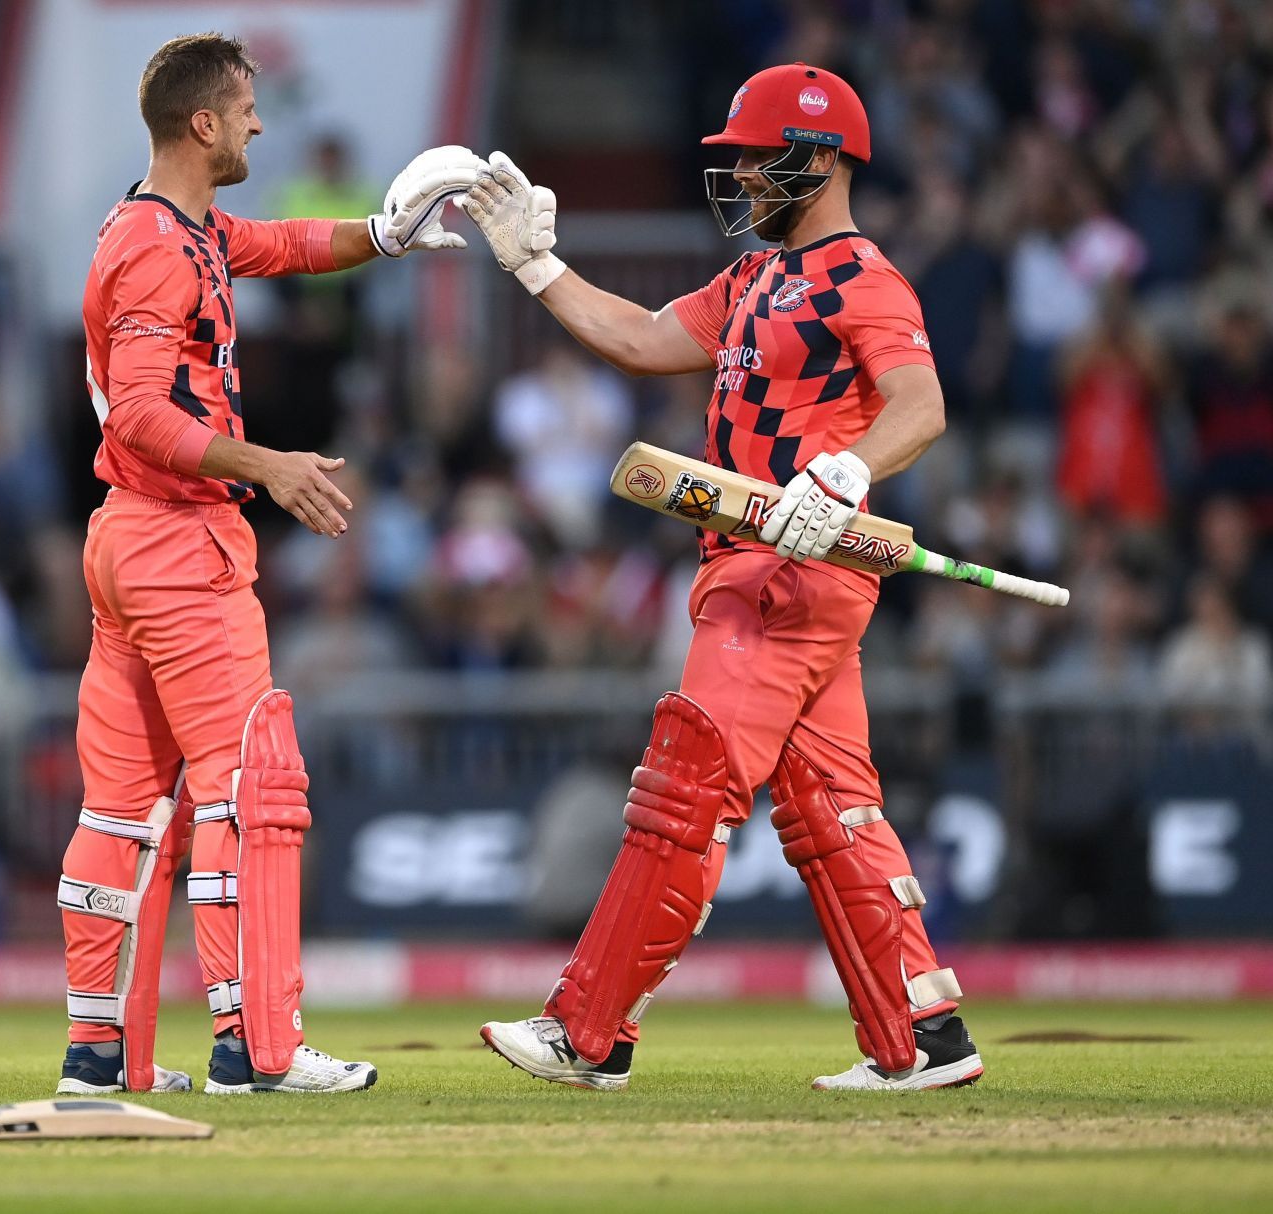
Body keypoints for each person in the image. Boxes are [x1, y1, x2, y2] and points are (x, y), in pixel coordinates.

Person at [465, 63, 983, 1092]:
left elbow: (918, 405)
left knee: (685, 783)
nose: (743, 173)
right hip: (768, 567)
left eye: (761, 154)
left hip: (788, 570)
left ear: (824, 159)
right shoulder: (751, 280)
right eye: (739, 156)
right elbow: (641, 337)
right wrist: (535, 266)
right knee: (835, 811)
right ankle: (923, 1038)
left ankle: (590, 1029)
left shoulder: (863, 277)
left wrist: (845, 469)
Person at [57, 32, 483, 1095]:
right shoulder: (161, 247)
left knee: (119, 811)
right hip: (177, 535)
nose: (258, 122)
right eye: (245, 108)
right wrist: (270, 467)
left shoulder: (164, 225)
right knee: (246, 790)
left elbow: (289, 245)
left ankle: (97, 1055)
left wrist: (385, 234)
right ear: (203, 123)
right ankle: (256, 1044)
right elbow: (150, 412)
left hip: (124, 539)